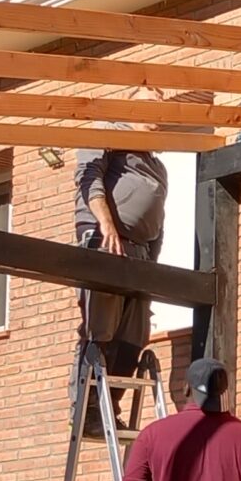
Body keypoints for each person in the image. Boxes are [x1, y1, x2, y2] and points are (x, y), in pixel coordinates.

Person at [75, 147, 169, 375]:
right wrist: (106, 225)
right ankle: (88, 395)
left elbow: (158, 218)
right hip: (108, 241)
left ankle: (112, 396)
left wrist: (152, 265)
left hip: (140, 252)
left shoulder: (158, 167)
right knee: (101, 330)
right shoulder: (112, 134)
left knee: (133, 338)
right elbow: (89, 177)